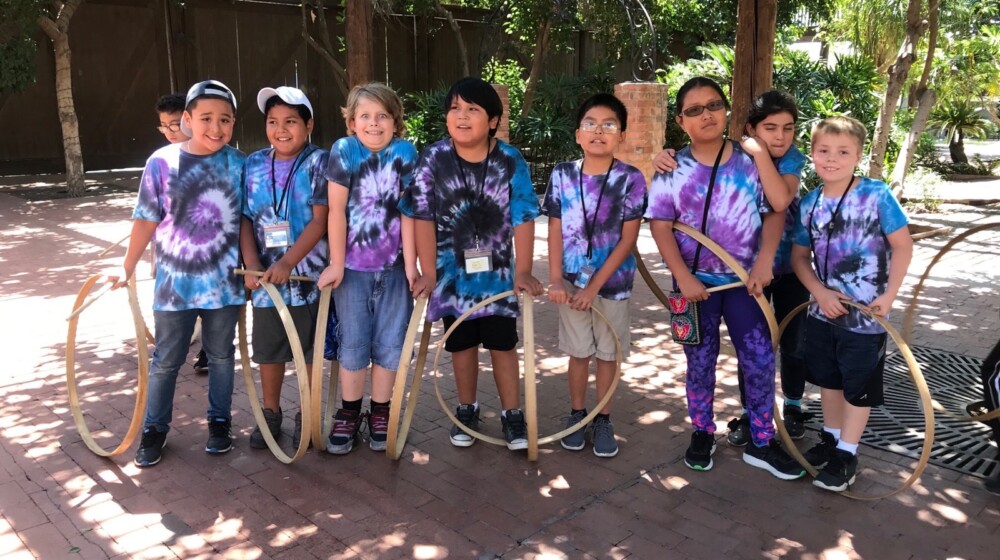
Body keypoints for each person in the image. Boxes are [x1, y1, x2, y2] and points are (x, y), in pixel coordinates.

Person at [646, 76, 805, 480]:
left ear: (727, 111)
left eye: (714, 105)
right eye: (694, 110)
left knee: (759, 359)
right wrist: (683, 278)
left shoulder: (752, 161)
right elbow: (661, 227)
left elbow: (775, 211)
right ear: (681, 121)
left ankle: (761, 439)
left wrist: (765, 261)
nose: (706, 115)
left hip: (744, 285)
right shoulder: (669, 169)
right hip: (693, 287)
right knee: (698, 361)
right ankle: (701, 431)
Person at [399, 76, 544, 451]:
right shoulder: (434, 158)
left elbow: (524, 216)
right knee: (460, 346)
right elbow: (422, 217)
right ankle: (467, 409)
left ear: (493, 120)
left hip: (497, 278)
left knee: (502, 344)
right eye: (455, 109)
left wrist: (524, 270)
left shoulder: (510, 160)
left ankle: (513, 415)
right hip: (452, 278)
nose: (461, 117)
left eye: (473, 110)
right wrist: (427, 271)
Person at [111, 80, 246, 468]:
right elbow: (145, 220)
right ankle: (154, 429)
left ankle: (220, 424)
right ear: (186, 119)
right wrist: (127, 267)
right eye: (206, 118)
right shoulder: (162, 162)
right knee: (167, 359)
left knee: (221, 357)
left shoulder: (239, 164)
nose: (216, 128)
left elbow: (250, 223)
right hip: (175, 288)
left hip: (225, 285)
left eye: (225, 120)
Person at [791, 116, 913, 492]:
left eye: (843, 152)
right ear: (812, 154)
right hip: (824, 312)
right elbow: (799, 258)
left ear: (858, 155)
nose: (832, 159)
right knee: (827, 380)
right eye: (824, 151)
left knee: (857, 385)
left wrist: (889, 296)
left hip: (866, 317)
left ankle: (848, 451)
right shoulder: (809, 204)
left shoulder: (876, 195)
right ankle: (830, 437)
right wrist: (820, 292)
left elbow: (903, 245)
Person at [542, 93, 647, 458]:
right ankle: (577, 414)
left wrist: (595, 287)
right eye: (590, 123)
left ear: (621, 135)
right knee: (578, 351)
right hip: (571, 282)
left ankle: (603, 417)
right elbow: (554, 228)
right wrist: (555, 278)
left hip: (613, 285)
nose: (598, 131)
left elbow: (628, 240)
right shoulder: (561, 174)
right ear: (577, 134)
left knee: (608, 353)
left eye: (608, 125)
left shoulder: (631, 179)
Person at [317, 83, 418, 454]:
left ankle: (380, 410)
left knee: (390, 344)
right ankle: (348, 412)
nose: (374, 124)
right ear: (352, 122)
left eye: (382, 116)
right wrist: (337, 264)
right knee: (354, 343)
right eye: (365, 116)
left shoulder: (406, 153)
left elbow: (409, 211)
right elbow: (337, 212)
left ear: (395, 121)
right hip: (353, 272)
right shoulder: (344, 151)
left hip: (393, 270)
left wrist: (411, 267)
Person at [241, 86, 329, 451]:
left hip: (307, 277)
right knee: (269, 349)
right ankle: (270, 413)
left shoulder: (321, 162)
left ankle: (307, 414)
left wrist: (288, 261)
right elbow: (245, 218)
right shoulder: (254, 163)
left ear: (308, 124)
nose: (281, 129)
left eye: (291, 121)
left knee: (308, 350)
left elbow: (322, 220)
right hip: (266, 282)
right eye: (273, 121)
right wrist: (252, 265)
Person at [154, 93, 210, 375]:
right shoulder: (161, 161)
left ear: (189, 121)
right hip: (176, 255)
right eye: (164, 126)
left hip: (210, 251)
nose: (170, 132)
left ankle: (209, 349)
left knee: (212, 306)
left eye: (175, 124)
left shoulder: (213, 157)